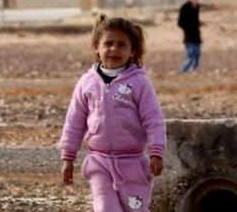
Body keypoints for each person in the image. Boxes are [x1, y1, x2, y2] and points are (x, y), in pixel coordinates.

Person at [59, 15, 166, 212]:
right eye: (108, 43)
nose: (114, 49)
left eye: (122, 45)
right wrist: (68, 157)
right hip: (99, 163)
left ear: (132, 50)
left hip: (133, 164)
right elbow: (74, 121)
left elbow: (154, 120)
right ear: (95, 46)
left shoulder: (139, 83)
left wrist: (156, 152)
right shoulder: (86, 83)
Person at [177, 0, 203, 73]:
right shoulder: (184, 7)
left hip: (197, 36)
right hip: (189, 37)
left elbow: (194, 20)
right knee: (192, 58)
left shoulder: (197, 7)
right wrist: (189, 28)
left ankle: (191, 73)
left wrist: (198, 23)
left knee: (197, 56)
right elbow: (180, 23)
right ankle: (181, 72)